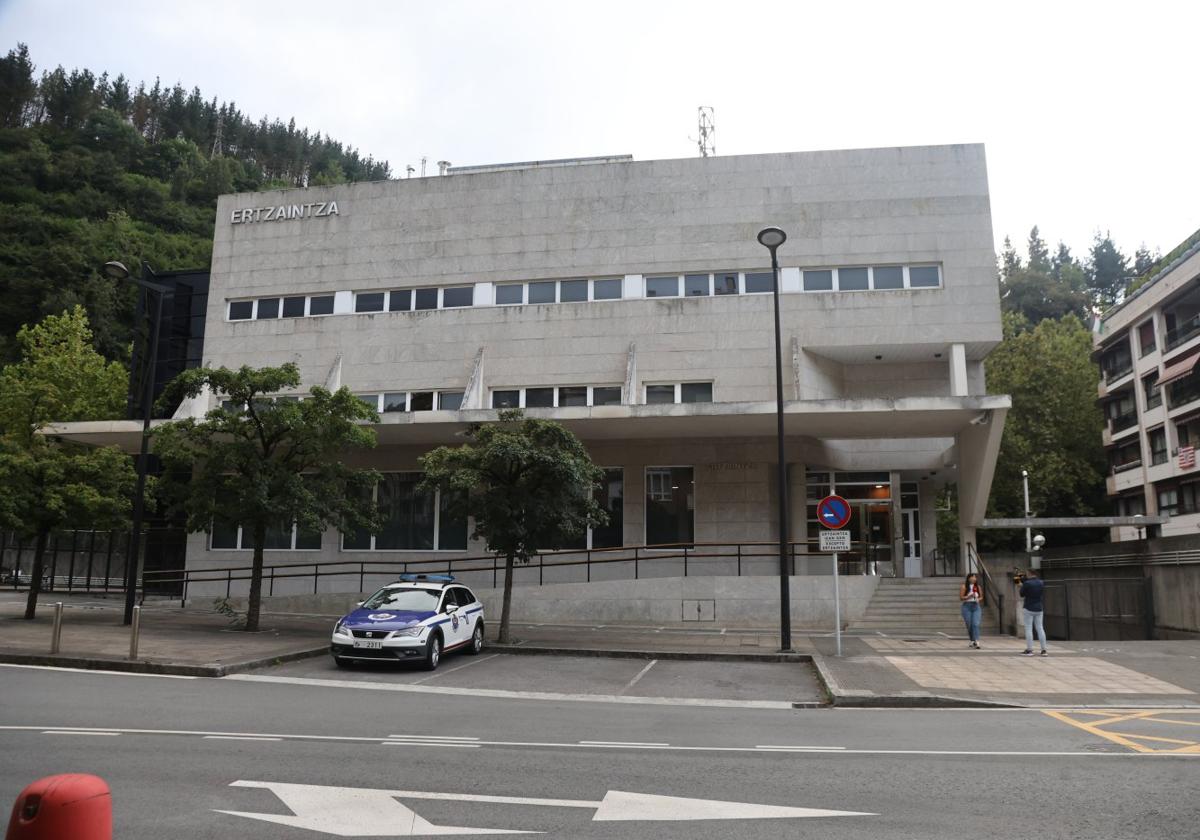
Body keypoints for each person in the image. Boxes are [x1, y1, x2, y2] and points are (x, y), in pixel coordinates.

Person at [1019, 568, 1048, 656]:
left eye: (1027, 573)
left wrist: (1021, 586)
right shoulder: (1041, 582)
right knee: (1040, 628)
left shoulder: (1027, 583)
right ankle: (1044, 650)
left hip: (1028, 607)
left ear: (1029, 573)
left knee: (1028, 628)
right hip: (1039, 608)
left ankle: (1030, 650)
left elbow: (1021, 594)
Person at [960, 572, 983, 649]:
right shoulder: (964, 587)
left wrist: (978, 599)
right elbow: (961, 597)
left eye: (975, 577)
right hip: (967, 606)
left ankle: (977, 641)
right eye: (972, 577)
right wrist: (969, 596)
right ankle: (972, 639)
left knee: (975, 624)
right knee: (969, 624)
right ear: (968, 578)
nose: (974, 578)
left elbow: (981, 597)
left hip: (976, 606)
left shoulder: (978, 587)